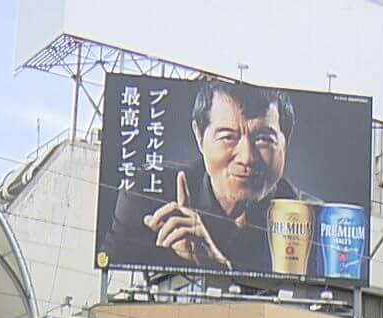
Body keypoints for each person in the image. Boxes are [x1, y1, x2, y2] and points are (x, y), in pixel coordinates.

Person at [101, 79, 316, 274]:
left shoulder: (316, 220)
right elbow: (109, 273)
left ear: (286, 141)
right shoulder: (148, 194)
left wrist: (218, 268)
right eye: (228, 137)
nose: (247, 158)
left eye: (263, 139)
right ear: (199, 136)